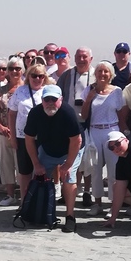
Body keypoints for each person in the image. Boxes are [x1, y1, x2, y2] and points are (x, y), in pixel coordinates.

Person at [24, 85, 84, 233]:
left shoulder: (68, 113)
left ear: (61, 100)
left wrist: (68, 164)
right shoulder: (35, 113)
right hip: (48, 150)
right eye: (47, 99)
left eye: (54, 99)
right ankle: (40, 212)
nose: (50, 102)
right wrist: (36, 163)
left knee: (69, 179)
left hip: (70, 150)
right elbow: (29, 139)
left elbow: (77, 140)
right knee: (38, 177)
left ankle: (70, 216)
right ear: (42, 100)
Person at [81, 61, 124, 216]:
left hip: (112, 131)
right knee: (95, 169)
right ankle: (97, 202)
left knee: (113, 170)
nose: (102, 74)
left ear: (111, 74)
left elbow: (121, 113)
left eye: (106, 71)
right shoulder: (89, 90)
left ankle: (113, 205)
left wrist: (123, 132)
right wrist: (89, 98)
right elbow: (83, 115)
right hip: (94, 131)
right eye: (99, 71)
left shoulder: (117, 92)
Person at [56, 46, 95, 206]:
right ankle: (70, 190)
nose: (81, 59)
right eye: (78, 56)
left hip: (90, 122)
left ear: (90, 59)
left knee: (89, 159)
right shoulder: (67, 75)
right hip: (70, 122)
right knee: (71, 158)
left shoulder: (96, 74)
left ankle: (87, 191)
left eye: (84, 56)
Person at [8, 63, 51, 203]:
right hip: (23, 136)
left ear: (44, 77)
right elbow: (12, 114)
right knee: (24, 171)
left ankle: (42, 203)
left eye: (40, 76)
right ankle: (24, 202)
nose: (37, 78)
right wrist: (13, 137)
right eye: (34, 75)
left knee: (44, 170)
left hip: (44, 137)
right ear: (28, 76)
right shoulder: (20, 91)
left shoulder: (49, 91)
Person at [0, 57, 24, 206]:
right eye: (11, 69)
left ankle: (24, 195)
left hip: (22, 134)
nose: (15, 71)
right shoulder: (2, 90)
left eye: (18, 68)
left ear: (22, 71)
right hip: (3, 133)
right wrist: (0, 126)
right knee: (6, 163)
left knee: (22, 164)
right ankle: (10, 194)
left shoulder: (26, 89)